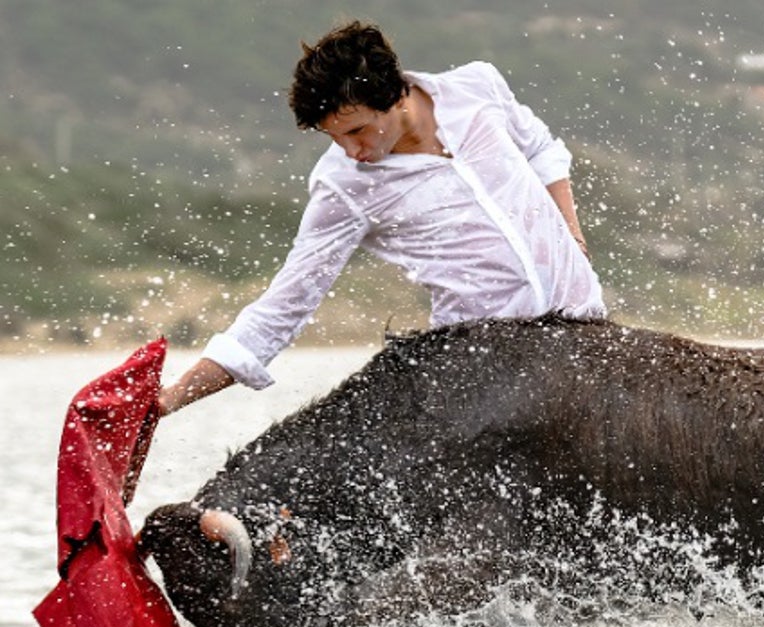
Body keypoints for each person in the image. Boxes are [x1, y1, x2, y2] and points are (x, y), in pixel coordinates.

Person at [159, 21, 605, 415]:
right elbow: (283, 307)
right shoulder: (341, 186)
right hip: (483, 369)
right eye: (334, 138)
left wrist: (573, 239)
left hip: (587, 329)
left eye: (355, 131)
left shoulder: (476, 86)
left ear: (394, 96)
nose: (353, 152)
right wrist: (174, 396)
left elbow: (542, 151)